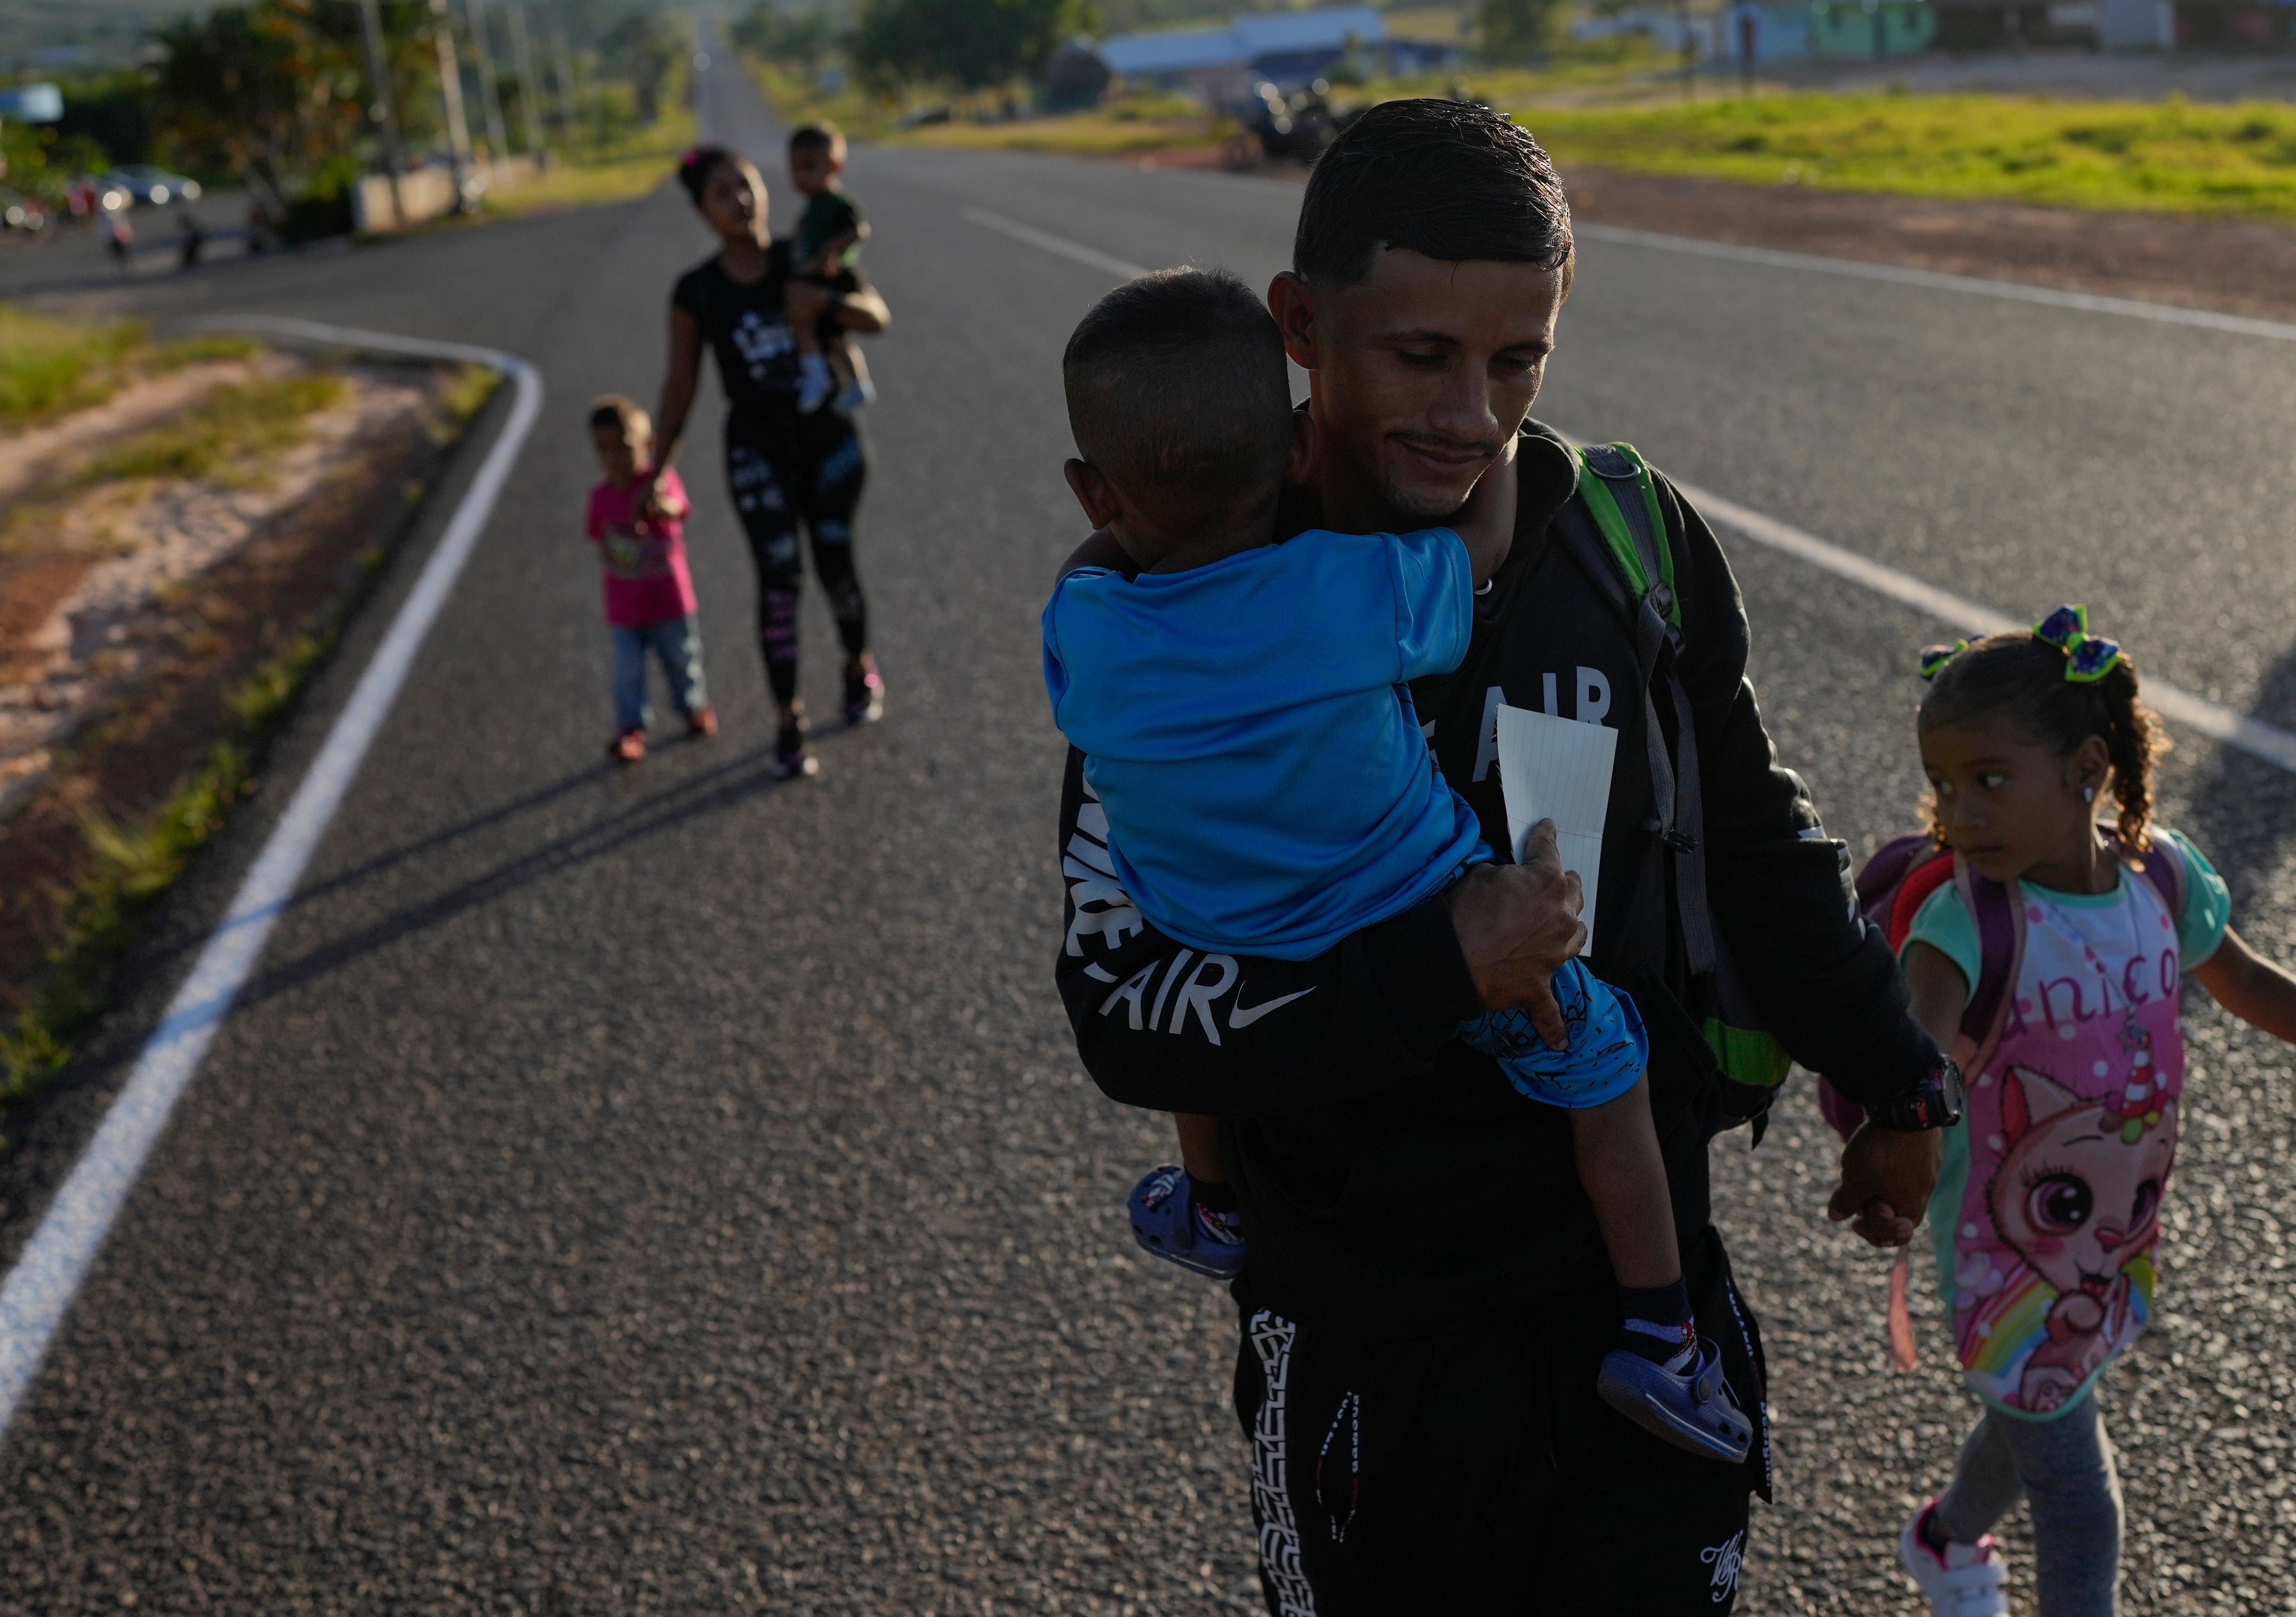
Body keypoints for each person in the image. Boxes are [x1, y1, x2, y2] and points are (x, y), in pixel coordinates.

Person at [1050, 98, 1961, 1613]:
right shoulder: (1177, 597)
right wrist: (1435, 965)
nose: (1472, 412)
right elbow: (1124, 1002)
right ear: (1301, 326)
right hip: (1364, 1326)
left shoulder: (1629, 536)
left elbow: (1752, 835)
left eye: (1517, 358)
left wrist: (1894, 1079)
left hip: (1633, 1321)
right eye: (1421, 355)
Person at [1044, 267, 1754, 1462]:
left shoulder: (1087, 626)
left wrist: (1124, 524)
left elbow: (1090, 574)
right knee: (1606, 1067)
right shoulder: (1350, 589)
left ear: (1091, 489)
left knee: (1201, 969)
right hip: (1434, 919)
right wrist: (1515, 452)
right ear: (1295, 448)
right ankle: (1662, 1333)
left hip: (1219, 939)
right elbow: (1479, 549)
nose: (1470, 414)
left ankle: (1211, 1200)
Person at [1889, 609, 2296, 1617]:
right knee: (2080, 1505)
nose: (1959, 811)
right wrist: (1888, 1129)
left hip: (2110, 1234)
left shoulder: (2159, 878)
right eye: (1944, 784)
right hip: (2006, 1258)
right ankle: (1949, 1545)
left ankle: (1942, 1540)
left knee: (2039, 1405)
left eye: (1989, 779)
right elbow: (1908, 1047)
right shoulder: (1965, 921)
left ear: (2086, 769)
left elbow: (2247, 982)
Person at [648, 145, 890, 781]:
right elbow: (680, 388)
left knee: (837, 564)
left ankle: (855, 664)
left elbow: (876, 316)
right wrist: (654, 471)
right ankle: (789, 717)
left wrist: (827, 305)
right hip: (757, 452)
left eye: (747, 185)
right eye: (722, 194)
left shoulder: (805, 254)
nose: (741, 201)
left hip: (830, 442)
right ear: (703, 210)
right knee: (779, 581)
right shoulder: (697, 291)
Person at [584, 395, 716, 761]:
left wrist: (661, 505)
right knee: (628, 674)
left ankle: (694, 707)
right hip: (625, 609)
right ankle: (631, 728)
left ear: (648, 446)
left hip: (670, 601)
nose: (614, 459)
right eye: (604, 450)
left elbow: (679, 508)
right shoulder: (601, 496)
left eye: (624, 448)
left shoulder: (659, 483)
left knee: (682, 659)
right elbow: (601, 545)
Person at [786, 122, 876, 414]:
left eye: (810, 167)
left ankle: (820, 377)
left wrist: (830, 251)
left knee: (808, 325)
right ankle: (854, 383)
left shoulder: (836, 203)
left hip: (837, 278)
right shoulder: (812, 206)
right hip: (822, 277)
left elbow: (859, 230)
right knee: (832, 338)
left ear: (834, 167)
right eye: (796, 168)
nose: (801, 176)